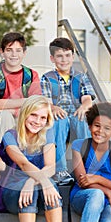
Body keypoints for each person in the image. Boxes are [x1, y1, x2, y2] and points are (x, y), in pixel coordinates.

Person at [1, 95, 63, 222]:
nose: (38, 121)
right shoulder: (10, 135)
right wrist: (33, 182)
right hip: (13, 192)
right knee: (37, 190)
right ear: (25, 113)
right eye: (34, 115)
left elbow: (50, 166)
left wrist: (33, 181)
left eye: (43, 117)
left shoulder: (47, 134)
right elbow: (23, 163)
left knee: (51, 187)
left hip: (37, 187)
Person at [41, 37, 95, 185]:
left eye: (67, 55)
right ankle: (60, 171)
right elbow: (46, 102)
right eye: (59, 56)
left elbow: (87, 99)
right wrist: (53, 107)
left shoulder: (81, 77)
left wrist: (84, 105)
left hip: (76, 116)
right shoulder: (47, 78)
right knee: (58, 120)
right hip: (59, 118)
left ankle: (88, 167)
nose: (64, 60)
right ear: (52, 58)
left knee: (83, 118)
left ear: (73, 56)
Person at [0, 32, 42, 145]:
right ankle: (4, 158)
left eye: (18, 50)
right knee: (4, 116)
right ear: (2, 52)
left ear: (24, 52)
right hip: (2, 118)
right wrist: (25, 101)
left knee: (31, 119)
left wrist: (11, 109)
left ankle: (25, 159)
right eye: (9, 50)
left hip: (25, 116)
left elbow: (35, 104)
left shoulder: (31, 75)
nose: (13, 54)